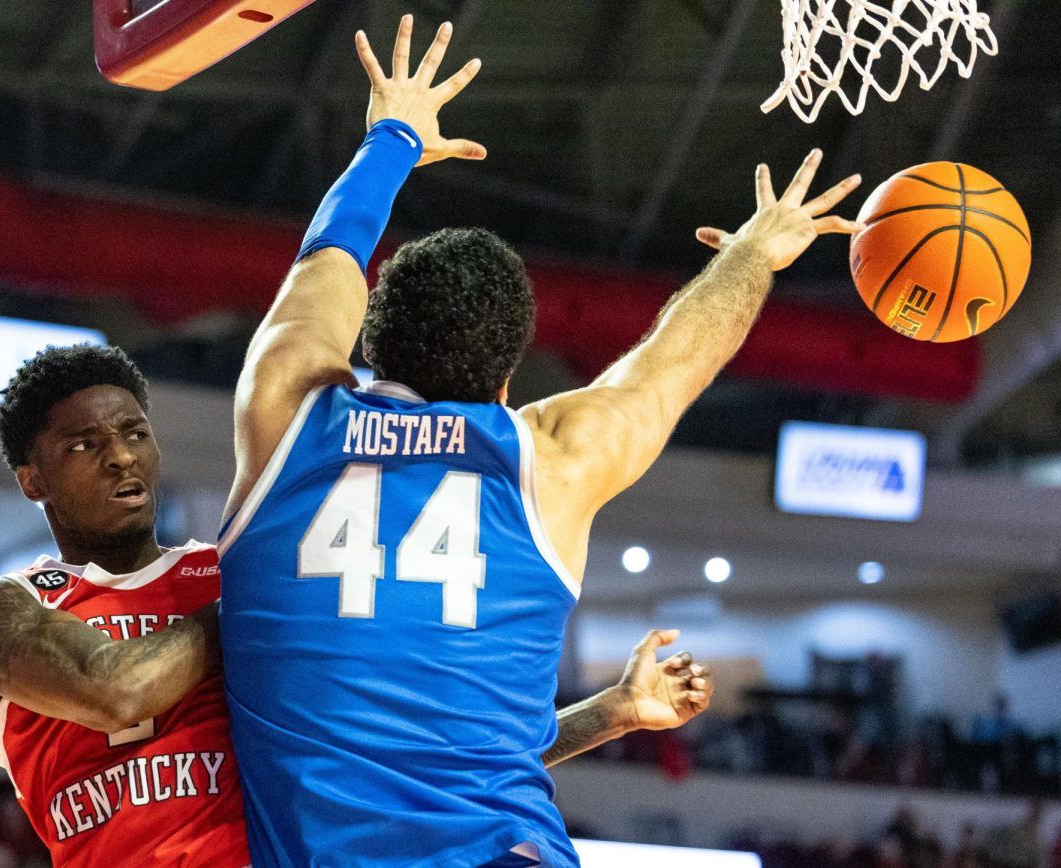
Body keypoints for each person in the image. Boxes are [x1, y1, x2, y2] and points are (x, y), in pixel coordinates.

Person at [216, 12, 862, 868]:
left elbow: (325, 258)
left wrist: (393, 137)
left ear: (370, 342)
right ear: (513, 376)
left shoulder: (288, 408)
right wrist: (756, 252)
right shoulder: (553, 457)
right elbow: (677, 359)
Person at [0, 344, 715, 866]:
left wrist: (615, 712)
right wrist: (272, 599)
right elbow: (115, 690)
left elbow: (417, 758)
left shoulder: (228, 567)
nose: (119, 454)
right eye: (83, 444)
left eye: (134, 432)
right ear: (31, 479)